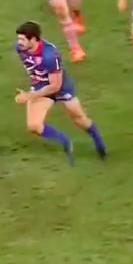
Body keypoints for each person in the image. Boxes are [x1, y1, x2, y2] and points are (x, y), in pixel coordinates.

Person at [14, 21, 107, 163]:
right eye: (18, 39)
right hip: (40, 85)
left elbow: (55, 86)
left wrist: (29, 96)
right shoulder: (20, 49)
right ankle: (65, 140)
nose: (19, 42)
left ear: (33, 39)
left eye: (22, 39)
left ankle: (99, 145)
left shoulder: (49, 55)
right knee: (33, 126)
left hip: (60, 87)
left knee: (79, 119)